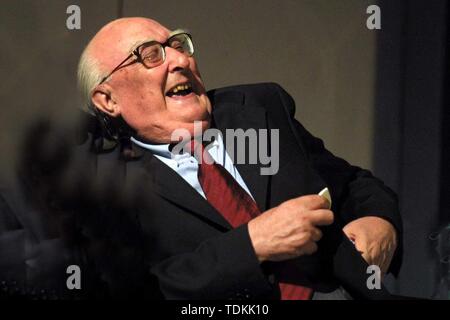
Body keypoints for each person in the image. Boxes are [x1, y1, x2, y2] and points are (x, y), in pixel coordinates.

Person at [72, 17, 402, 300]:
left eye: (178, 45)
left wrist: (379, 222)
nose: (180, 60)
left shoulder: (260, 108)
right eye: (150, 55)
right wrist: (252, 244)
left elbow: (354, 185)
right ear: (107, 99)